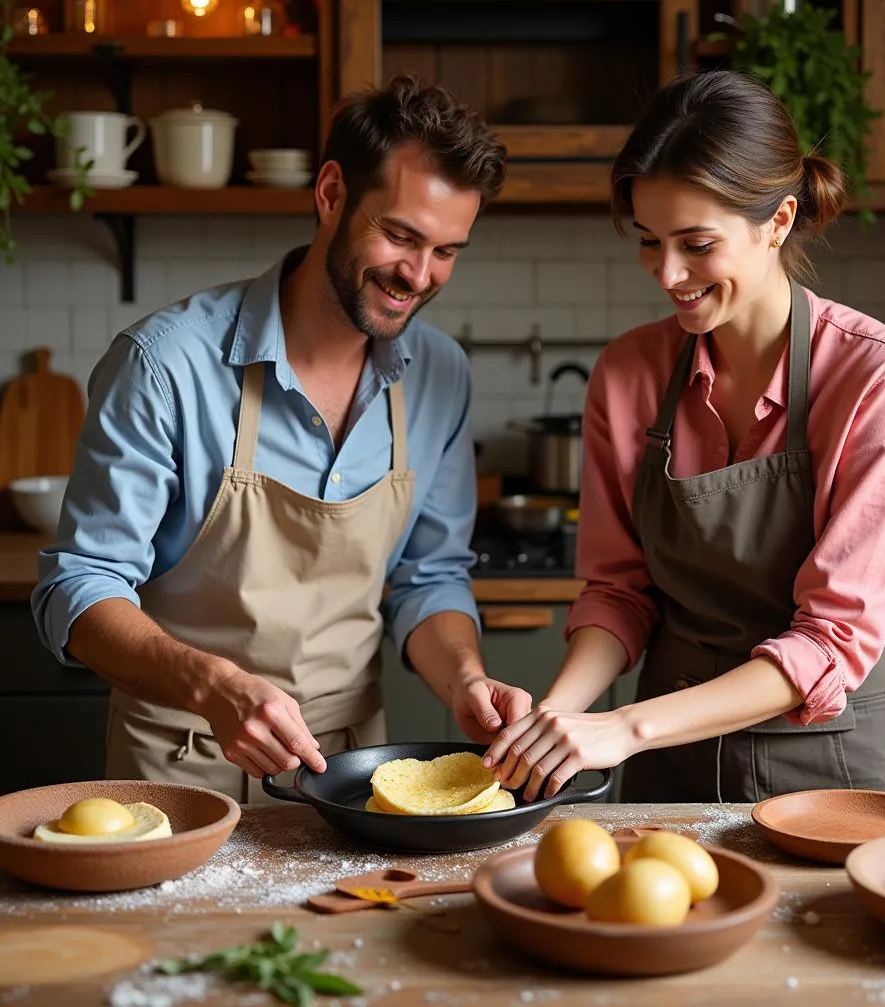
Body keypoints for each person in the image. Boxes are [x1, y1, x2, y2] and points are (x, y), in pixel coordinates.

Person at [32, 74, 533, 802]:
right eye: (399, 235)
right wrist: (212, 685)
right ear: (330, 194)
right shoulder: (164, 363)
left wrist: (465, 678)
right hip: (180, 767)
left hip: (355, 777)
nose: (418, 277)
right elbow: (77, 588)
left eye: (447, 251)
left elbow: (429, 577)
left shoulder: (440, 375)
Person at [483, 71, 885, 805]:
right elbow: (619, 592)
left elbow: (831, 639)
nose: (667, 274)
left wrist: (624, 729)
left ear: (779, 221)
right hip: (676, 760)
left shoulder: (879, 380)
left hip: (844, 768)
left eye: (696, 244)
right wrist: (557, 716)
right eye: (648, 241)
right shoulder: (627, 373)